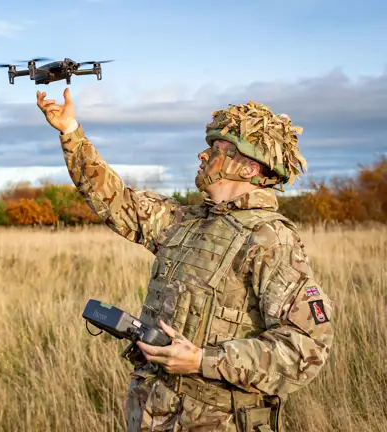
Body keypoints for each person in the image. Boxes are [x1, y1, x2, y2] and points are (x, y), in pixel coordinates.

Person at [36, 88, 334, 432]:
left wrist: (201, 360)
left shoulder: (270, 238)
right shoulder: (184, 221)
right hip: (153, 411)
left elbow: (307, 347)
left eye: (217, 149)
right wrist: (70, 131)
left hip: (216, 421)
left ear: (249, 167)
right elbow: (114, 200)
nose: (203, 155)